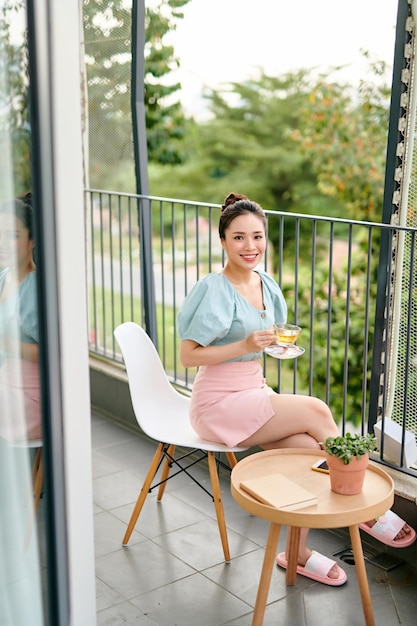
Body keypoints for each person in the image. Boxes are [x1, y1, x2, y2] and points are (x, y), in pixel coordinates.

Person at [177, 192, 416, 586]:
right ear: (222, 241)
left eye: (257, 236)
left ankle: (298, 553)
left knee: (308, 453)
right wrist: (245, 345)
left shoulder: (265, 283)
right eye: (238, 237)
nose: (249, 246)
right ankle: (366, 502)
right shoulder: (212, 288)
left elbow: (265, 342)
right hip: (217, 403)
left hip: (252, 390)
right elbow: (188, 357)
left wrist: (273, 346)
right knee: (317, 410)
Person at [0, 197, 41, 442]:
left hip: (30, 395)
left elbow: (50, 355)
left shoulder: (35, 288)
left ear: (31, 240)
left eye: (13, 235)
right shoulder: (3, 276)